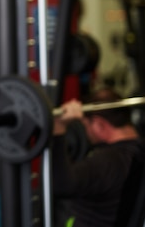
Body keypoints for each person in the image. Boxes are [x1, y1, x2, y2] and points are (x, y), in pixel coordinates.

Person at [52, 88, 145, 227]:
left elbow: (61, 185)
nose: (87, 133)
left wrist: (58, 128)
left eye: (86, 125)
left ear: (99, 124)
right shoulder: (138, 151)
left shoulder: (108, 161)